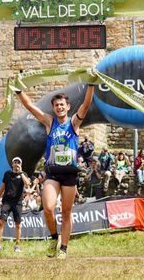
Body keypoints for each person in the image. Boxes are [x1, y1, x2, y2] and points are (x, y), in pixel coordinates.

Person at [15, 80, 96, 259]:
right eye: (56, 105)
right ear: (53, 108)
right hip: (52, 173)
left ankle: (63, 249)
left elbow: (87, 103)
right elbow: (29, 106)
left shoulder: (74, 122)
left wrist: (91, 85)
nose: (59, 107)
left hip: (70, 174)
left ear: (68, 107)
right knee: (49, 208)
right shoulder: (49, 122)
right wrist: (19, 91)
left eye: (62, 105)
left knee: (66, 212)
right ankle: (54, 238)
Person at [0, 157, 31, 253]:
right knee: (1, 222)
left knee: (18, 224)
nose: (17, 164)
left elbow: (27, 184)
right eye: (15, 162)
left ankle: (17, 245)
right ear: (12, 164)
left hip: (18, 202)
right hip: (7, 201)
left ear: (21, 165)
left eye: (18, 162)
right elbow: (2, 187)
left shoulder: (24, 174)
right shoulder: (7, 174)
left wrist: (21, 173)